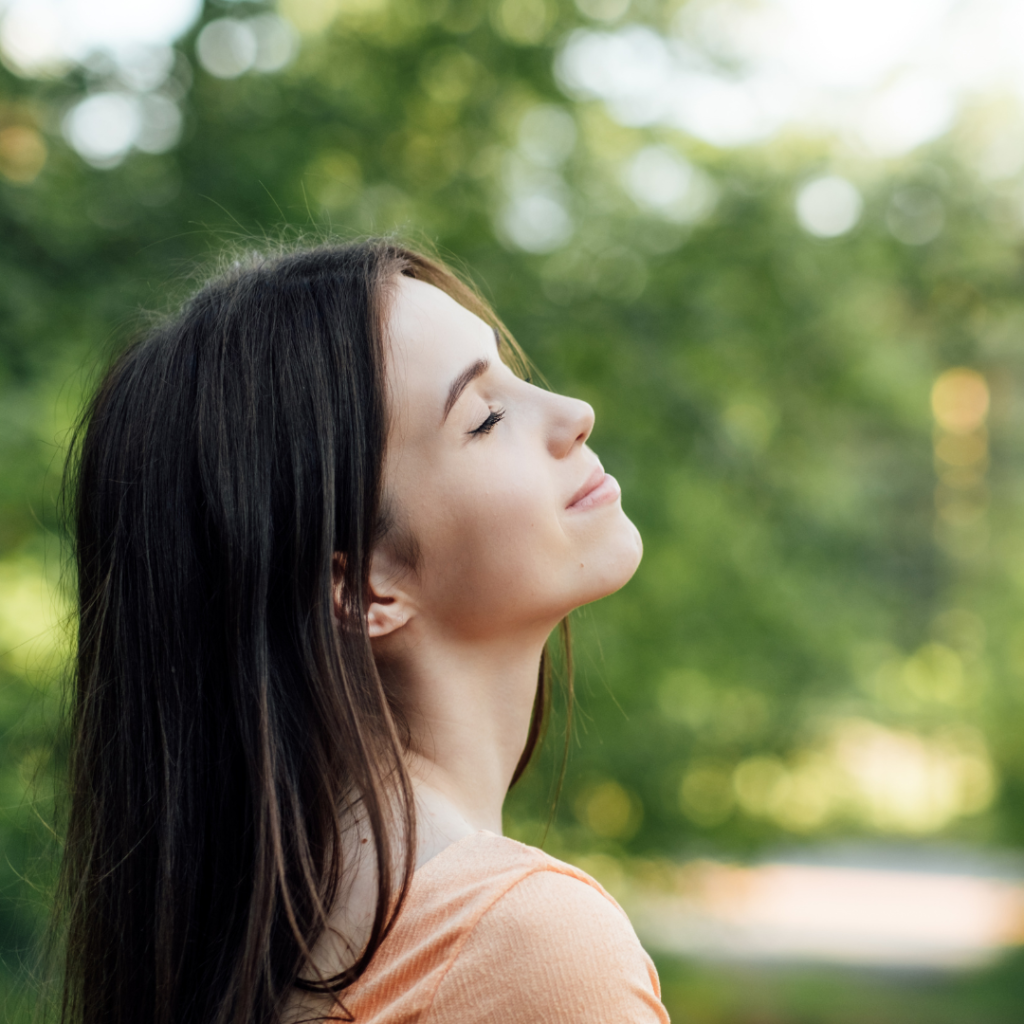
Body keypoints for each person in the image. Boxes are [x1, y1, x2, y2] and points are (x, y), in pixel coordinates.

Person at [58, 240, 667, 1024]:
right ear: (358, 584)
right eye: (485, 418)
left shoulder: (260, 952)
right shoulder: (524, 945)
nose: (574, 414)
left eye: (516, 379)